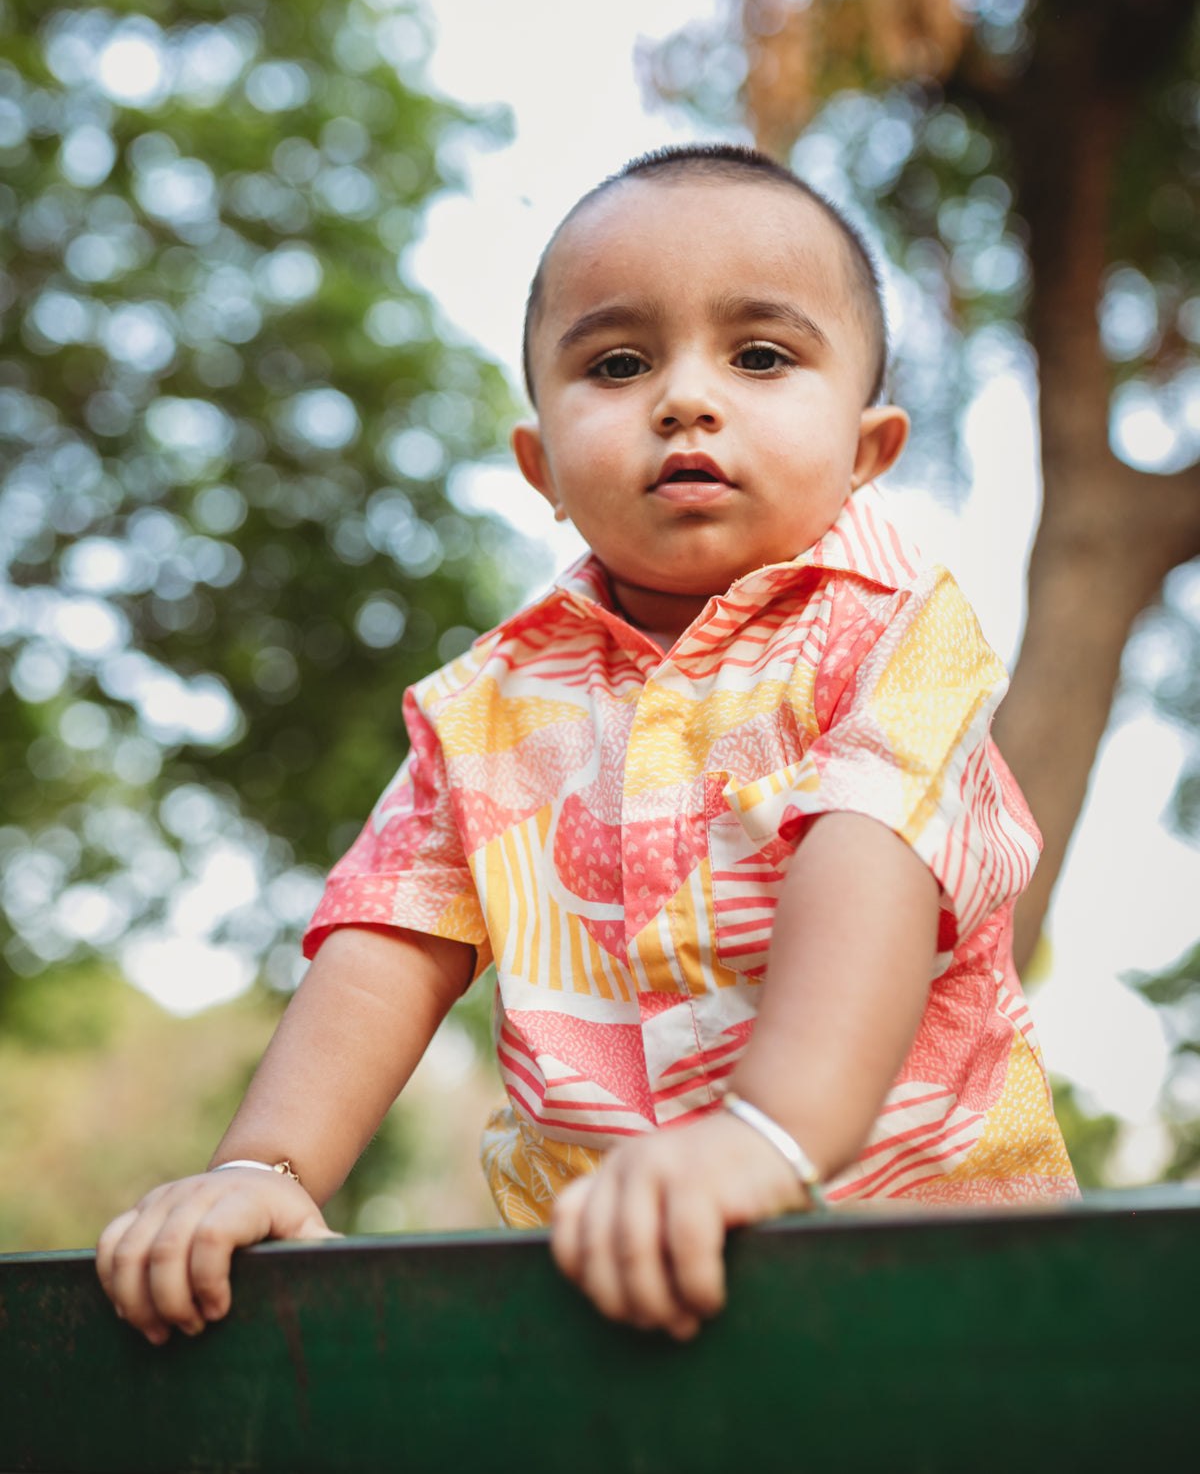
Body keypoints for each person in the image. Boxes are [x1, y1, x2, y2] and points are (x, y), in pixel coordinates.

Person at [97, 144, 1077, 1348]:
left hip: (932, 1282)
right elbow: (389, 940)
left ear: (869, 449)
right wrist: (270, 1168)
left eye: (760, 355)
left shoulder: (894, 637)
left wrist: (764, 1137)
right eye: (618, 363)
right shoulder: (487, 709)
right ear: (542, 467)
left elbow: (871, 854)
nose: (685, 396)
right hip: (602, 1293)